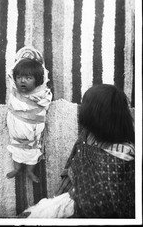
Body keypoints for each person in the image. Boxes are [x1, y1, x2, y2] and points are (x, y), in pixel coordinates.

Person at [20, 84, 135, 217]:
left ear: (96, 113)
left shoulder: (124, 155)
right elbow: (73, 169)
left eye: (85, 104)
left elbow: (110, 202)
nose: (82, 107)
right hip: (72, 198)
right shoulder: (88, 135)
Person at [6, 46, 52, 183]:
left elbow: (44, 82)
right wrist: (23, 57)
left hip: (32, 139)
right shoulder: (15, 91)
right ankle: (17, 168)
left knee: (32, 158)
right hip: (16, 137)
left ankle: (29, 171)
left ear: (38, 81)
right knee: (16, 155)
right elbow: (11, 73)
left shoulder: (41, 95)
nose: (22, 81)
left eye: (28, 78)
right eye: (19, 77)